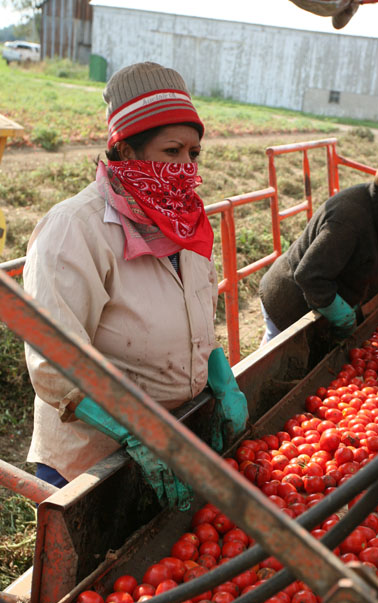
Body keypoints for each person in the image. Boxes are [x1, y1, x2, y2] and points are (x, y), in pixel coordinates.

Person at [23, 61, 248, 506]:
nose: (186, 168)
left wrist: (221, 377)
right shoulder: (76, 229)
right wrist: (135, 430)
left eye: (194, 154)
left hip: (172, 438)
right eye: (172, 152)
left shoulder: (186, 225)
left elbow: (197, 315)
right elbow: (53, 361)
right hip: (92, 458)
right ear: (124, 150)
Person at [259, 147, 378, 344]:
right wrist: (340, 314)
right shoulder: (351, 217)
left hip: (311, 304)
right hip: (288, 303)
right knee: (271, 364)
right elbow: (309, 275)